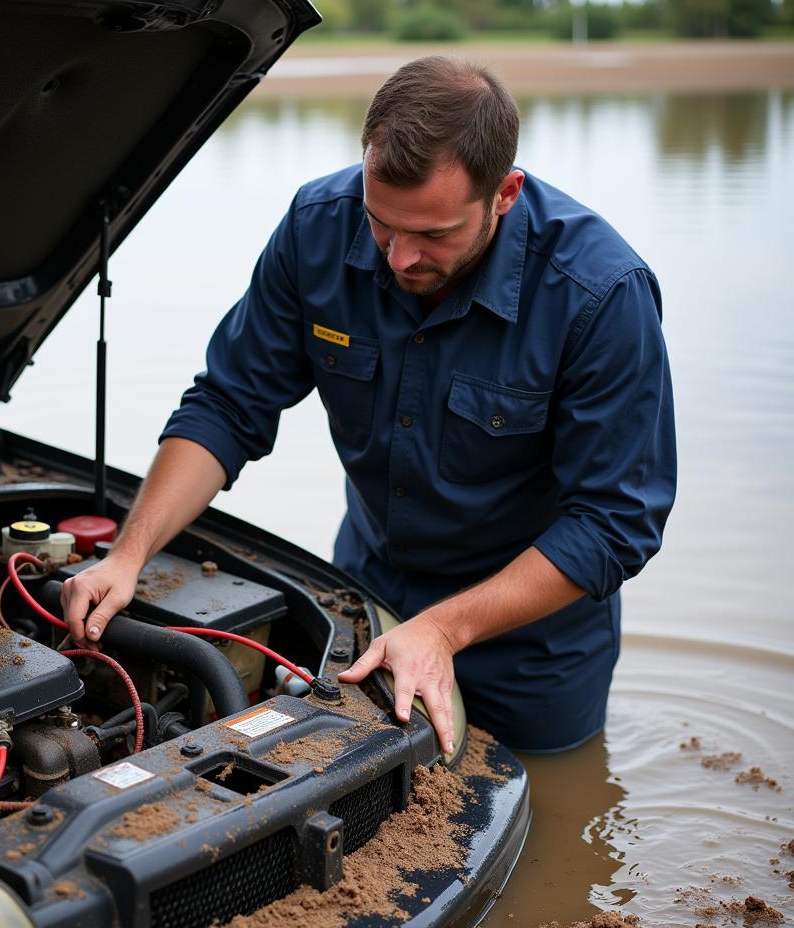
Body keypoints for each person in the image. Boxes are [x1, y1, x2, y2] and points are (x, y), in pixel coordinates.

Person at [62, 56, 676, 754]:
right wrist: (129, 553)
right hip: (368, 601)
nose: (399, 259)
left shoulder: (600, 294)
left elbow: (613, 521)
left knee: (552, 812)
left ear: (505, 193)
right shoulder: (315, 228)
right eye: (382, 222)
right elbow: (229, 404)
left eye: (435, 234)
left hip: (532, 650)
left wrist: (444, 629)